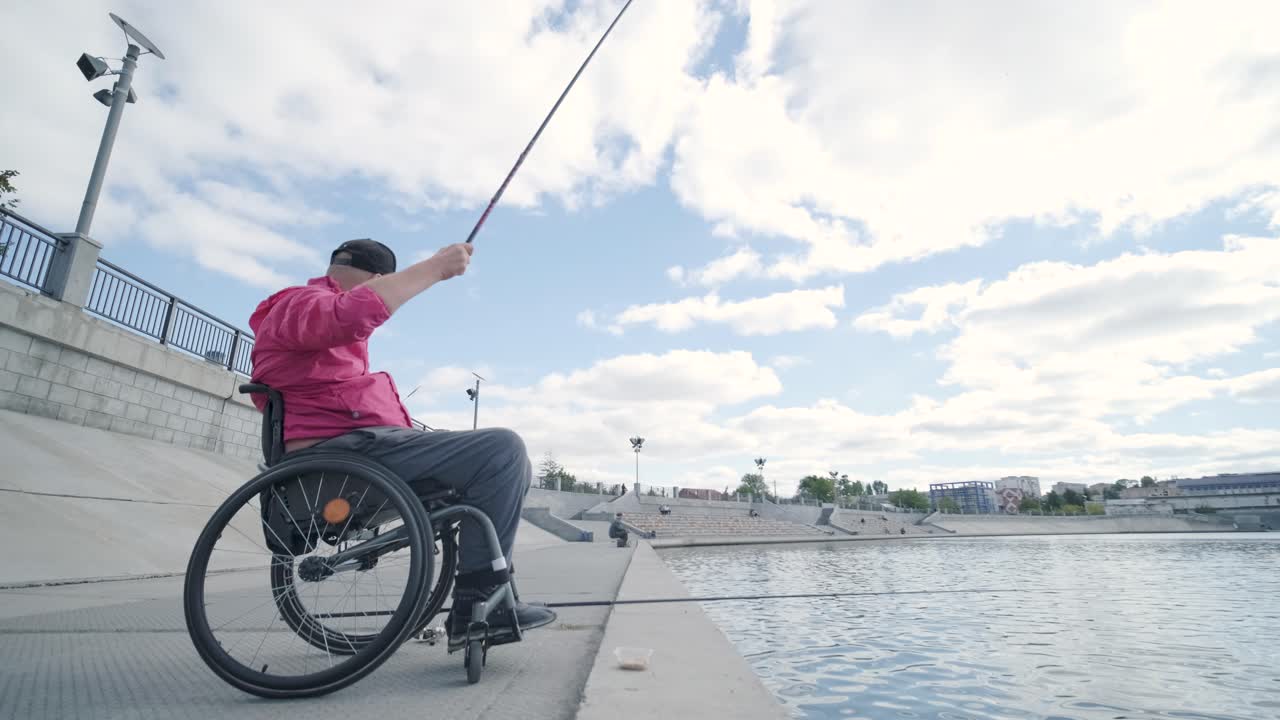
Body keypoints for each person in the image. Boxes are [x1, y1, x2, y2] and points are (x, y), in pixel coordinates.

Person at [246, 238, 555, 651]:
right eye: (384, 283)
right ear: (377, 278)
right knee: (503, 450)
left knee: (507, 463)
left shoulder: (312, 324)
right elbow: (352, 314)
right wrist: (435, 267)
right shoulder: (301, 301)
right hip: (344, 457)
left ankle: (490, 592)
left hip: (361, 450)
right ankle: (479, 602)